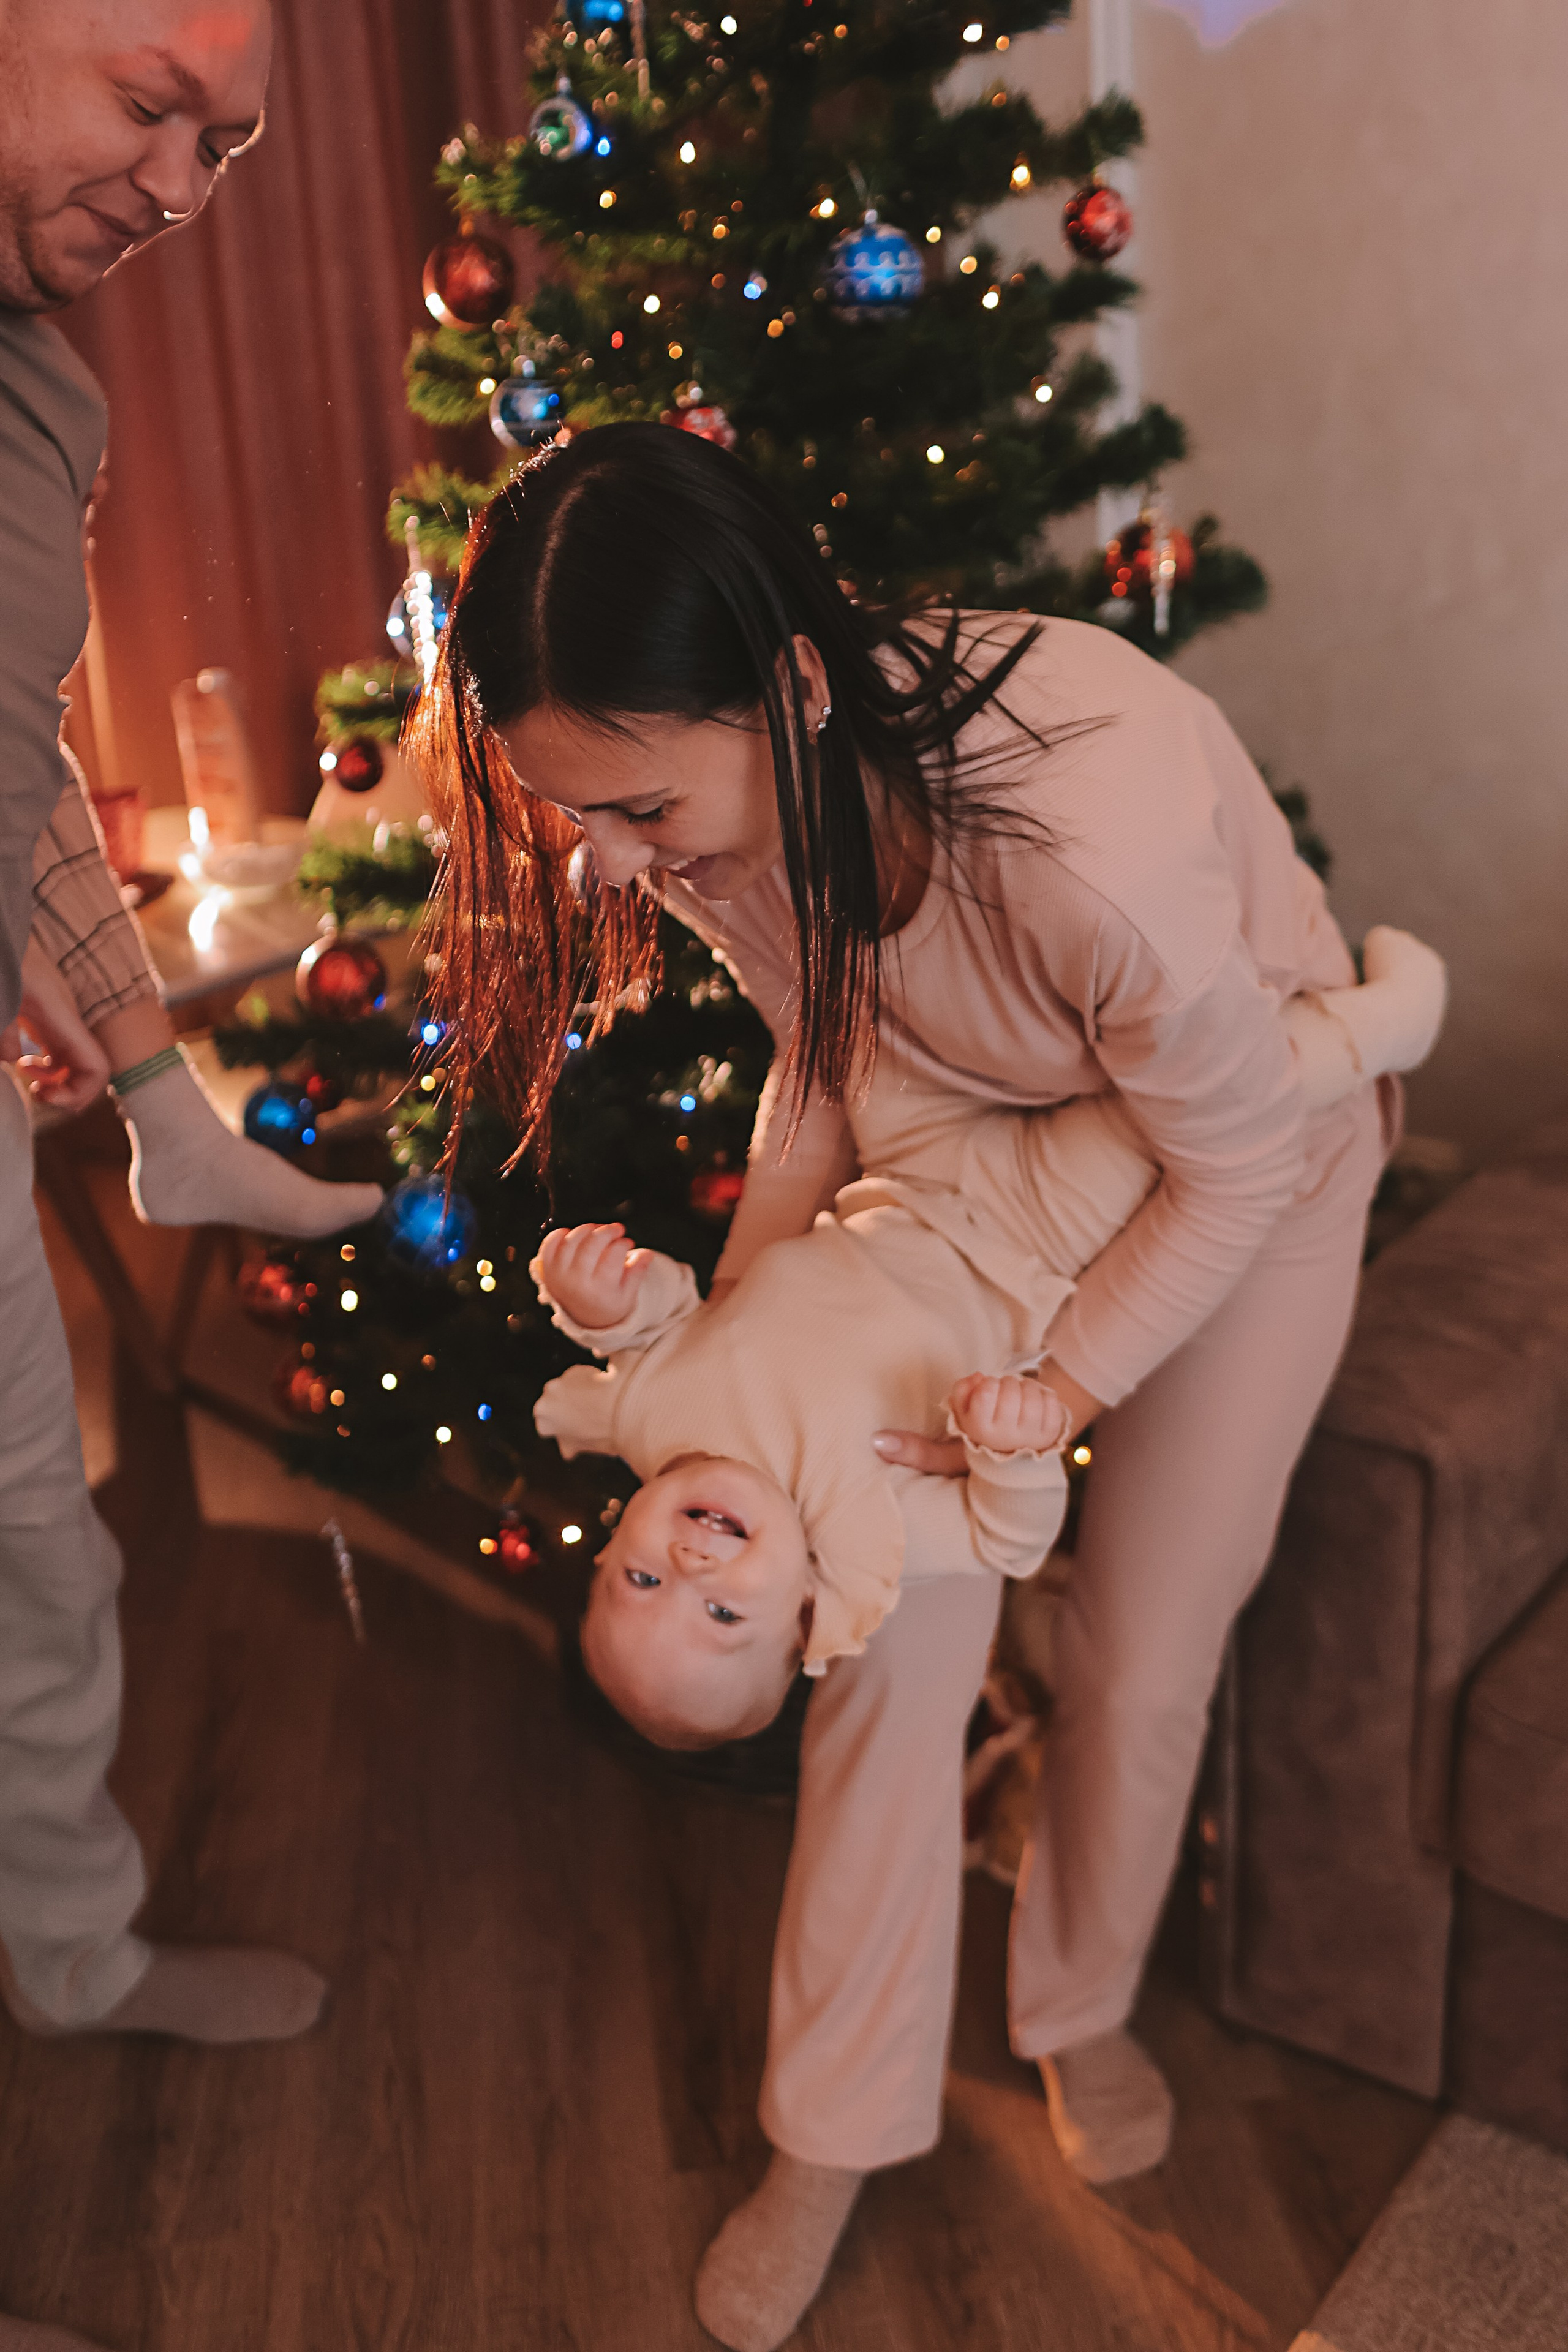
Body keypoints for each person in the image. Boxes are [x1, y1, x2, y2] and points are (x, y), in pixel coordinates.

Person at [422, 423, 1446, 2352]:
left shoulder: (1087, 847)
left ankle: (1077, 2004)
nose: (603, 862)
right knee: (879, 1649)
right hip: (969, 1169)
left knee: (1144, 1657)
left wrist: (1054, 1393)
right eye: (571, 814)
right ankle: (832, 2128)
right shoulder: (709, 815)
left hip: (1246, 1161)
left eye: (636, 807)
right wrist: (745, 1364)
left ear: (796, 691)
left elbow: (1229, 1168)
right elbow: (823, 1056)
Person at [0, 6, 379, 2345]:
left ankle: (71, 1952)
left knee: (41, 1573)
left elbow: (15, 757)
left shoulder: (49, 390)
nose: (179, 184)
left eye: (224, 150)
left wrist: (158, 1094)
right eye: (154, 102)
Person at [532, 936, 1441, 1754]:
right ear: (805, 1619)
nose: (691, 1566)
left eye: (643, 1580)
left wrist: (608, 1303)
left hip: (904, 1170)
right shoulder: (862, 1537)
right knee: (1201, 1103)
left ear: (612, 1546)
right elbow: (1006, 1538)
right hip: (1031, 1232)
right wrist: (1010, 1450)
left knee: (872, 1018)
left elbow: (664, 1323)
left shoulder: (650, 1419)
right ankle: (1378, 1030)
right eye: (724, 1614)